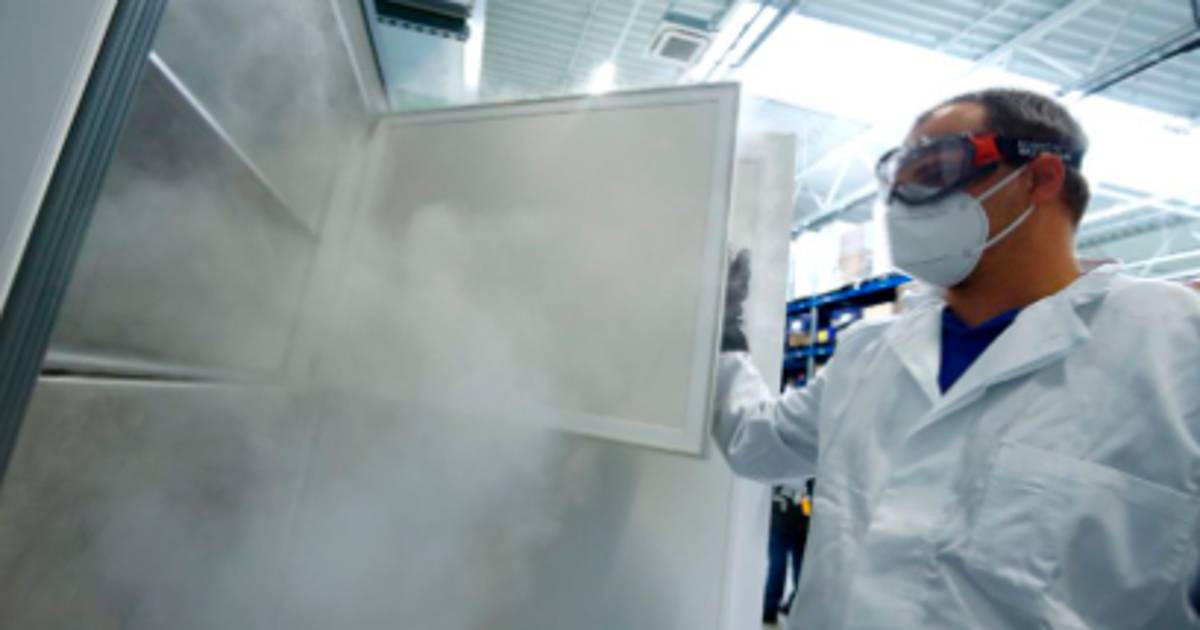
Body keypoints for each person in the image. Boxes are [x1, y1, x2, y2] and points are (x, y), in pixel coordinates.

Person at [714, 88, 1200, 629]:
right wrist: (726, 335)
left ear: (1041, 177)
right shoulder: (867, 353)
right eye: (894, 181)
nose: (902, 202)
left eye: (933, 169)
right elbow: (757, 444)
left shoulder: (1176, 350)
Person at [763, 484, 811, 625]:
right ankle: (769, 609)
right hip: (779, 526)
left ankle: (791, 605)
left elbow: (808, 506)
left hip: (801, 529)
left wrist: (805, 503)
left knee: (801, 573)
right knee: (777, 569)